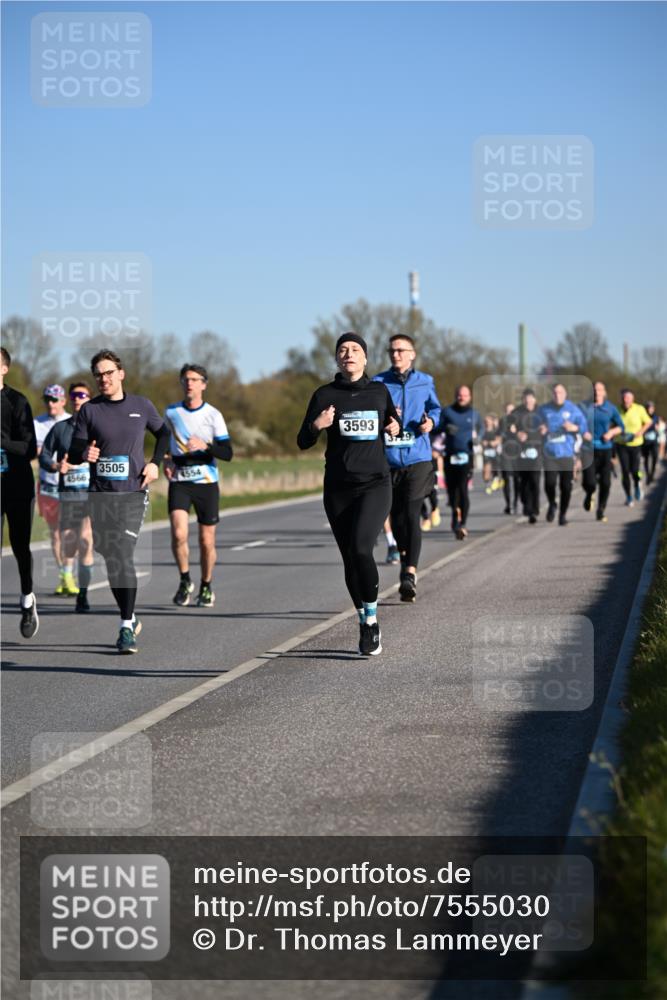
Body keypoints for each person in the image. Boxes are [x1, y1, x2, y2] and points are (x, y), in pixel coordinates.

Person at [297, 332, 400, 655]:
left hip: (375, 484)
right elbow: (303, 440)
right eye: (343, 350)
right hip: (338, 488)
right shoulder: (325, 394)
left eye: (355, 349)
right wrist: (317, 425)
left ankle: (373, 620)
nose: (349, 354)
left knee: (360, 548)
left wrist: (395, 426)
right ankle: (363, 619)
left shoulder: (379, 391)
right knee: (349, 558)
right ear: (337, 359)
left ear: (365, 358)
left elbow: (393, 420)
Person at [67, 349, 170, 653]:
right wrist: (84, 453)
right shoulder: (89, 410)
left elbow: (164, 434)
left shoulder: (141, 405)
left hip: (132, 494)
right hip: (100, 495)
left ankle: (125, 626)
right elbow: (74, 451)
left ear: (121, 374)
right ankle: (131, 615)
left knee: (122, 554)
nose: (104, 378)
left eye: (109, 372)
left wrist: (155, 463)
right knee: (111, 557)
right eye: (99, 374)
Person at [372, 335, 441, 603]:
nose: (396, 354)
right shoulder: (378, 382)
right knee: (397, 517)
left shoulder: (425, 381)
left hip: (417, 458)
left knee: (412, 514)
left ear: (412, 354)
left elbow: (435, 409)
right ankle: (404, 560)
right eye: (392, 350)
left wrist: (430, 422)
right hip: (388, 460)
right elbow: (371, 414)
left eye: (401, 350)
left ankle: (409, 573)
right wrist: (384, 422)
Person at [164, 364, 233, 608]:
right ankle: (185, 580)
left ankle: (206, 585)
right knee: (178, 533)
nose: (189, 384)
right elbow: (163, 442)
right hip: (180, 481)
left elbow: (227, 453)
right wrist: (165, 460)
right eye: (185, 380)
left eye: (194, 380)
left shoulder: (213, 415)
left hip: (206, 483)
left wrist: (206, 446)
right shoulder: (171, 412)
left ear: (204, 384)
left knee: (206, 541)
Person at [40, 382, 95, 611]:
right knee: (70, 542)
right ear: (70, 400)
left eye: (82, 394)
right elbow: (44, 455)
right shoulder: (60, 428)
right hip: (69, 495)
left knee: (85, 539)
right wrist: (56, 466)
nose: (77, 398)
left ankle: (83, 594)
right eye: (74, 395)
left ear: (90, 399)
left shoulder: (98, 428)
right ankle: (69, 577)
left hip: (91, 494)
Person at [0, 347, 39, 637]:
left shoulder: (17, 401)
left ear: (4, 369)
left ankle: (27, 598)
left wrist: (1, 443)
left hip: (17, 485)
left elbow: (29, 448)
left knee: (19, 546)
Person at [34, 383, 77, 595]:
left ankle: (68, 573)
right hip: (48, 484)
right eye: (47, 400)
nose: (50, 404)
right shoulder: (37, 423)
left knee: (70, 532)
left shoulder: (72, 421)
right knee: (55, 533)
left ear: (63, 401)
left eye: (54, 400)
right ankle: (64, 574)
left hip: (71, 484)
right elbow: (35, 453)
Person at [538, 383, 588, 526]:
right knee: (549, 483)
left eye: (560, 392)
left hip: (566, 453)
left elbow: (584, 427)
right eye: (555, 392)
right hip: (550, 453)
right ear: (552, 394)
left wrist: (574, 427)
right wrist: (540, 428)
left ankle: (563, 514)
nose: (557, 395)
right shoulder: (544, 409)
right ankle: (552, 503)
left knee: (566, 487)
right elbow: (534, 424)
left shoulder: (573, 409)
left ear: (565, 394)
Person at [439, 385, 483, 539]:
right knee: (452, 492)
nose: (461, 397)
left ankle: (462, 523)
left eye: (465, 395)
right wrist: (445, 428)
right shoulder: (447, 412)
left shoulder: (474, 413)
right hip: (450, 455)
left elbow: (482, 429)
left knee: (463, 489)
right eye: (459, 395)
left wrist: (478, 439)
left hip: (466, 456)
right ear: (455, 395)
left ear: (469, 397)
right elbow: (436, 428)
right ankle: (454, 515)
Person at [580, 381, 624, 522]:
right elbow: (576, 422)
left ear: (604, 392)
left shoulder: (610, 408)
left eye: (599, 390)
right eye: (594, 389)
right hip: (588, 450)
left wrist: (611, 433)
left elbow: (621, 426)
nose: (596, 392)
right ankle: (589, 495)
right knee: (589, 482)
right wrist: (583, 432)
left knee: (606, 483)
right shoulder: (583, 407)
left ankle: (601, 510)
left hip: (605, 450)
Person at [617, 389, 652, 506]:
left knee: (635, 470)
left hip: (636, 444)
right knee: (625, 471)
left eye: (628, 398)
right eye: (623, 397)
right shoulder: (617, 410)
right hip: (621, 444)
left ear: (632, 399)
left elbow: (648, 422)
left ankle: (637, 484)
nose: (625, 400)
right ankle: (628, 496)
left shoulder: (639, 409)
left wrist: (640, 432)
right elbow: (611, 424)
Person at [512, 388, 543, 523]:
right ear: (522, 400)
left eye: (530, 398)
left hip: (536, 449)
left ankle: (534, 509)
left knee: (535, 480)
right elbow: (509, 428)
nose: (528, 401)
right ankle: (526, 504)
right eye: (525, 398)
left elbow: (548, 425)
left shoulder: (541, 411)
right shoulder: (516, 412)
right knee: (523, 481)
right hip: (521, 451)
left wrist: (545, 428)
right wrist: (517, 433)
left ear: (535, 399)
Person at [499, 403, 520, 514]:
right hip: (506, 454)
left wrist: (516, 432)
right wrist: (507, 431)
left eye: (512, 411)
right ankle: (508, 504)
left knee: (517, 480)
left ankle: (515, 503)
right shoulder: (502, 421)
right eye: (508, 411)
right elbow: (499, 434)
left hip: (517, 454)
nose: (510, 413)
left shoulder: (519, 421)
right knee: (506, 479)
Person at [481, 414, 501, 494]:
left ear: (492, 422)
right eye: (486, 421)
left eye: (489, 421)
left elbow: (498, 440)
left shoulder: (496, 431)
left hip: (495, 453)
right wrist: (482, 443)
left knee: (495, 470)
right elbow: (479, 440)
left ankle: (495, 482)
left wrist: (492, 442)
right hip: (486, 453)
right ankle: (488, 482)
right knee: (486, 472)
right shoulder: (482, 431)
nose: (487, 423)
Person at [641, 402, 660, 485]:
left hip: (654, 441)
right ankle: (648, 474)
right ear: (646, 409)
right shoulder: (643, 417)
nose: (650, 410)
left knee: (655, 456)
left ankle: (652, 473)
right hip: (645, 441)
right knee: (646, 458)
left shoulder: (656, 417)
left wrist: (657, 428)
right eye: (649, 408)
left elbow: (657, 426)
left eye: (652, 408)